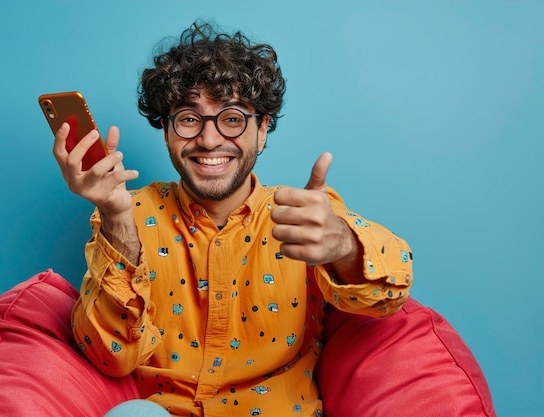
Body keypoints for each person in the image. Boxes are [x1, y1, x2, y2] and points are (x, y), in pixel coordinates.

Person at [53, 20, 413, 417]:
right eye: (189, 119)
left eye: (233, 118)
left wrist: (342, 245)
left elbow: (388, 297)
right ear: (166, 132)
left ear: (262, 130)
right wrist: (116, 218)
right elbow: (108, 358)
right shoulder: (129, 212)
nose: (209, 140)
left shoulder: (305, 216)